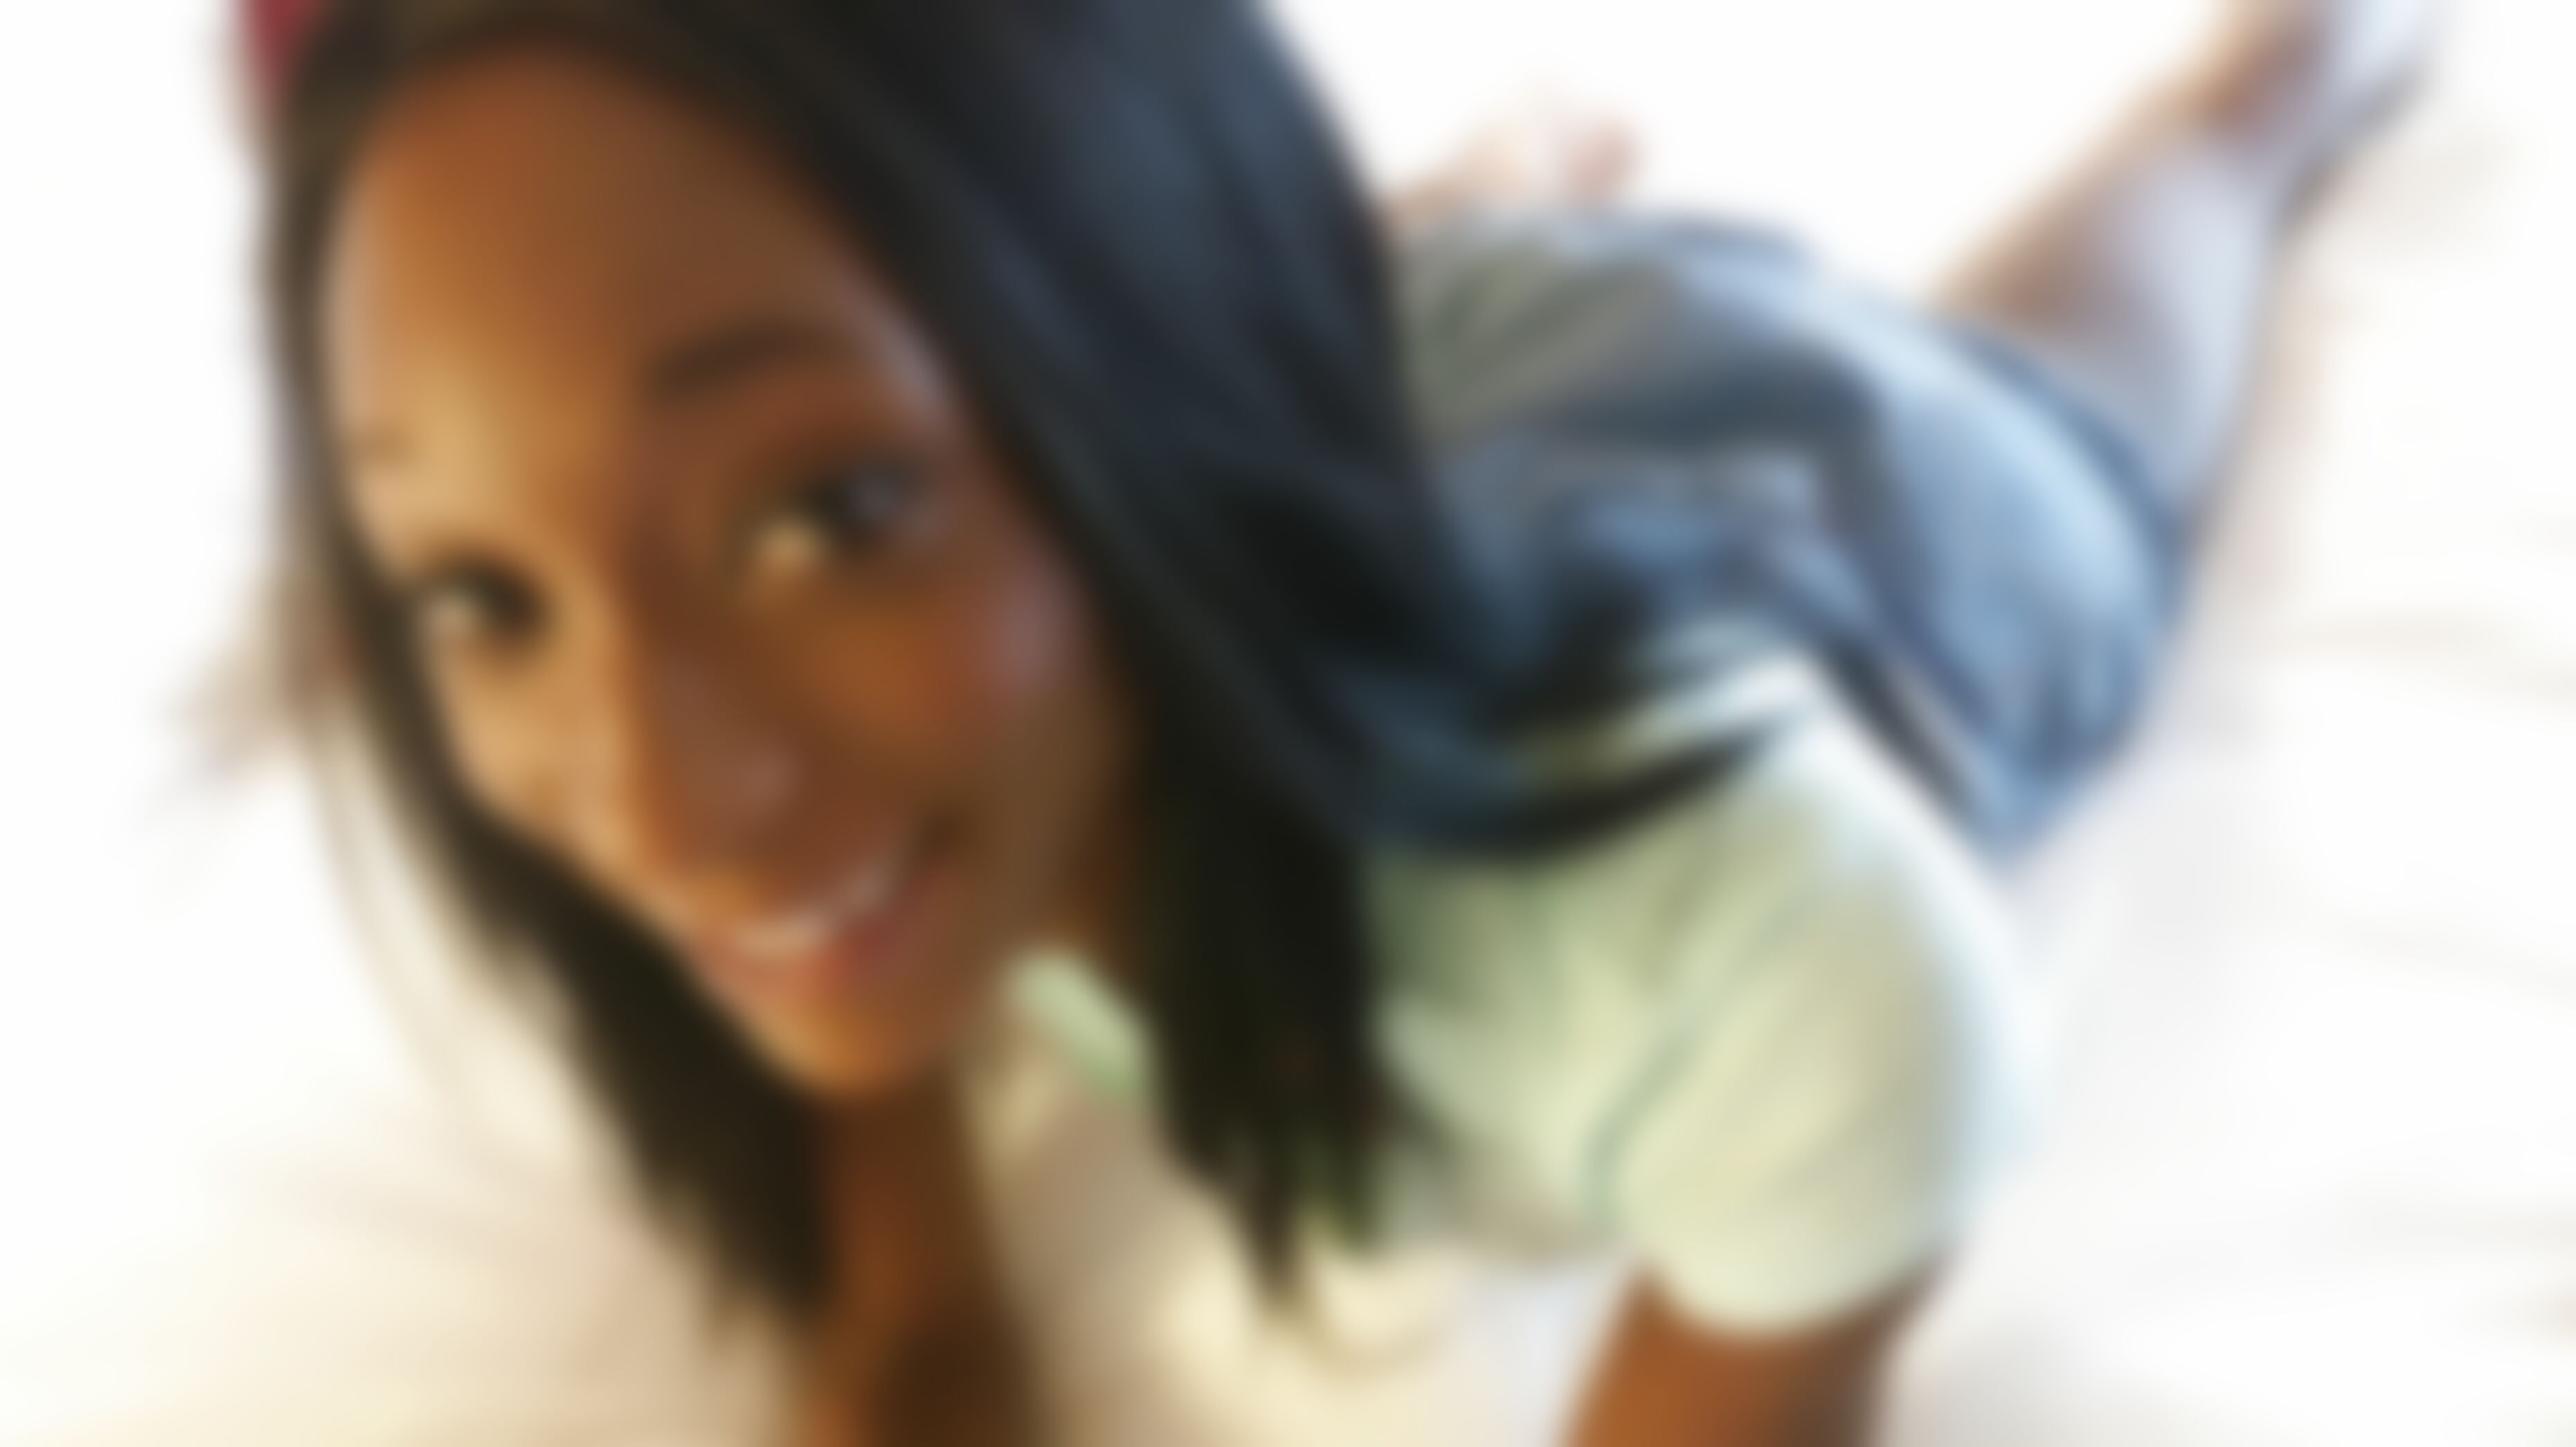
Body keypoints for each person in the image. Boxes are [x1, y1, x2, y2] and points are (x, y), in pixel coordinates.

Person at [253, 0, 2433, 1440]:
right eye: (479, 592)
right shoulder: (775, 782)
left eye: (828, 513)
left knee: (2145, 243)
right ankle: (1504, 178)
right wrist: (912, 1342)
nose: (654, 803)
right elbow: (912, 1336)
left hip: (1851, 518)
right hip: (1413, 367)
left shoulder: (1769, 952)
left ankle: (2295, 50)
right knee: (1388, 311)